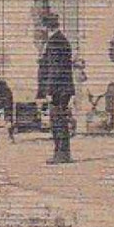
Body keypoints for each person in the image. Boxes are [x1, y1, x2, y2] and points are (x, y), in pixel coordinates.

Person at [37, 12, 75, 164]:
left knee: (58, 121)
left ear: (46, 26)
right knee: (60, 120)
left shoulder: (54, 42)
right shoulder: (61, 40)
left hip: (58, 89)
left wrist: (49, 91)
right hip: (63, 88)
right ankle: (61, 153)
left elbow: (55, 68)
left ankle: (62, 154)